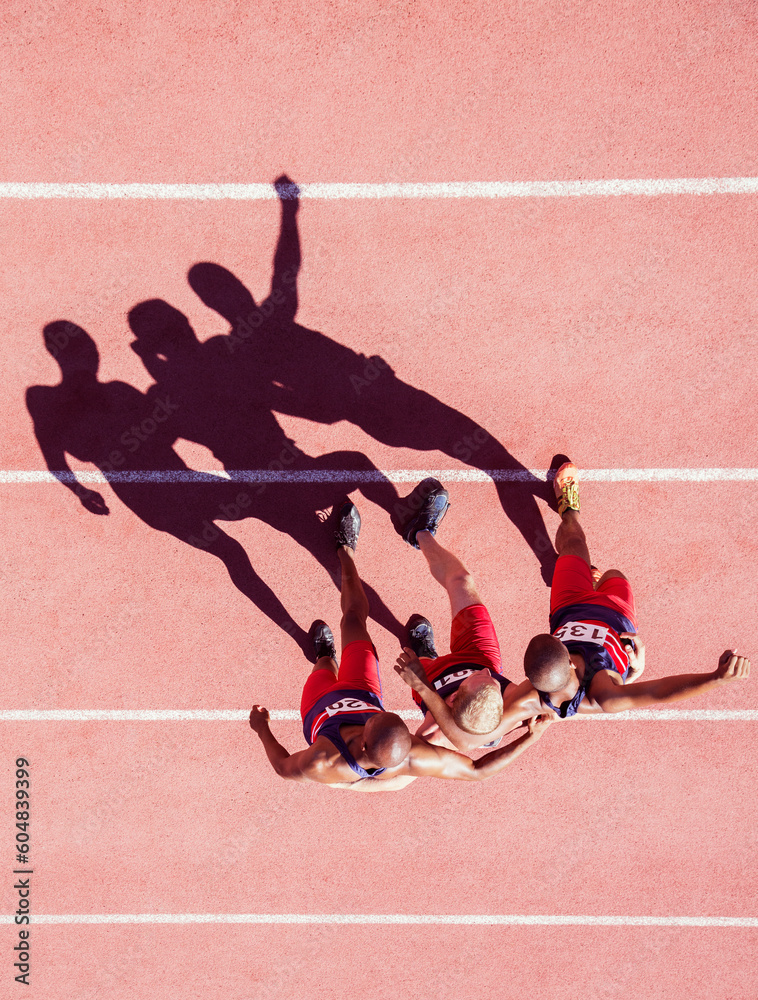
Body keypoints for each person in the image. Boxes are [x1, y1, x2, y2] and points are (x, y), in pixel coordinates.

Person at [395, 461, 750, 749]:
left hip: (570, 608)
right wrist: (714, 678)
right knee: (614, 573)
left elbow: (465, 739)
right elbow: (658, 692)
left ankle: (568, 509)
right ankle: (585, 561)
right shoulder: (604, 694)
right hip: (615, 617)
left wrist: (425, 689)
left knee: (574, 545)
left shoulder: (531, 697)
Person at [249, 500, 552, 790]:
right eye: (379, 713)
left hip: (318, 705)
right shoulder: (410, 753)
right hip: (360, 688)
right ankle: (345, 551)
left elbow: (282, 766)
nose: (374, 712)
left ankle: (325, 656)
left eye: (376, 716)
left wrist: (262, 727)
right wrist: (532, 737)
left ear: (366, 741)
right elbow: (477, 771)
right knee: (353, 621)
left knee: (325, 666)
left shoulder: (323, 762)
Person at [392, 479, 512, 750]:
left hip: (429, 679)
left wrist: (421, 685)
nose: (486, 672)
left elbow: (394, 761)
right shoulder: (491, 674)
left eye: (480, 677)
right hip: (477, 652)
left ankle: (425, 654)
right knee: (461, 581)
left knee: (418, 660)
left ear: (453, 697)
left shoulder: (431, 732)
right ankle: (419, 532)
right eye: (492, 679)